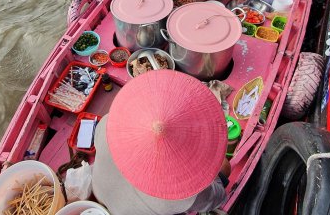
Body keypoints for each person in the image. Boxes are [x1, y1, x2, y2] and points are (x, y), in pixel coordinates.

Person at [92, 70, 230, 215]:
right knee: (224, 166)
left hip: (101, 195)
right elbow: (219, 198)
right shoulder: (185, 193)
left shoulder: (108, 122)